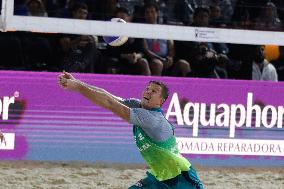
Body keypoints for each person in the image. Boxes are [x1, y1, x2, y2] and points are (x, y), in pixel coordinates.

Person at [58, 71, 204, 189]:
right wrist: (78, 83)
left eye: (154, 91)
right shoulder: (137, 105)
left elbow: (109, 103)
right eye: (147, 88)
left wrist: (77, 87)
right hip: (160, 176)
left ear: (161, 101)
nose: (148, 92)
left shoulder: (152, 118)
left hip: (180, 179)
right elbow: (108, 96)